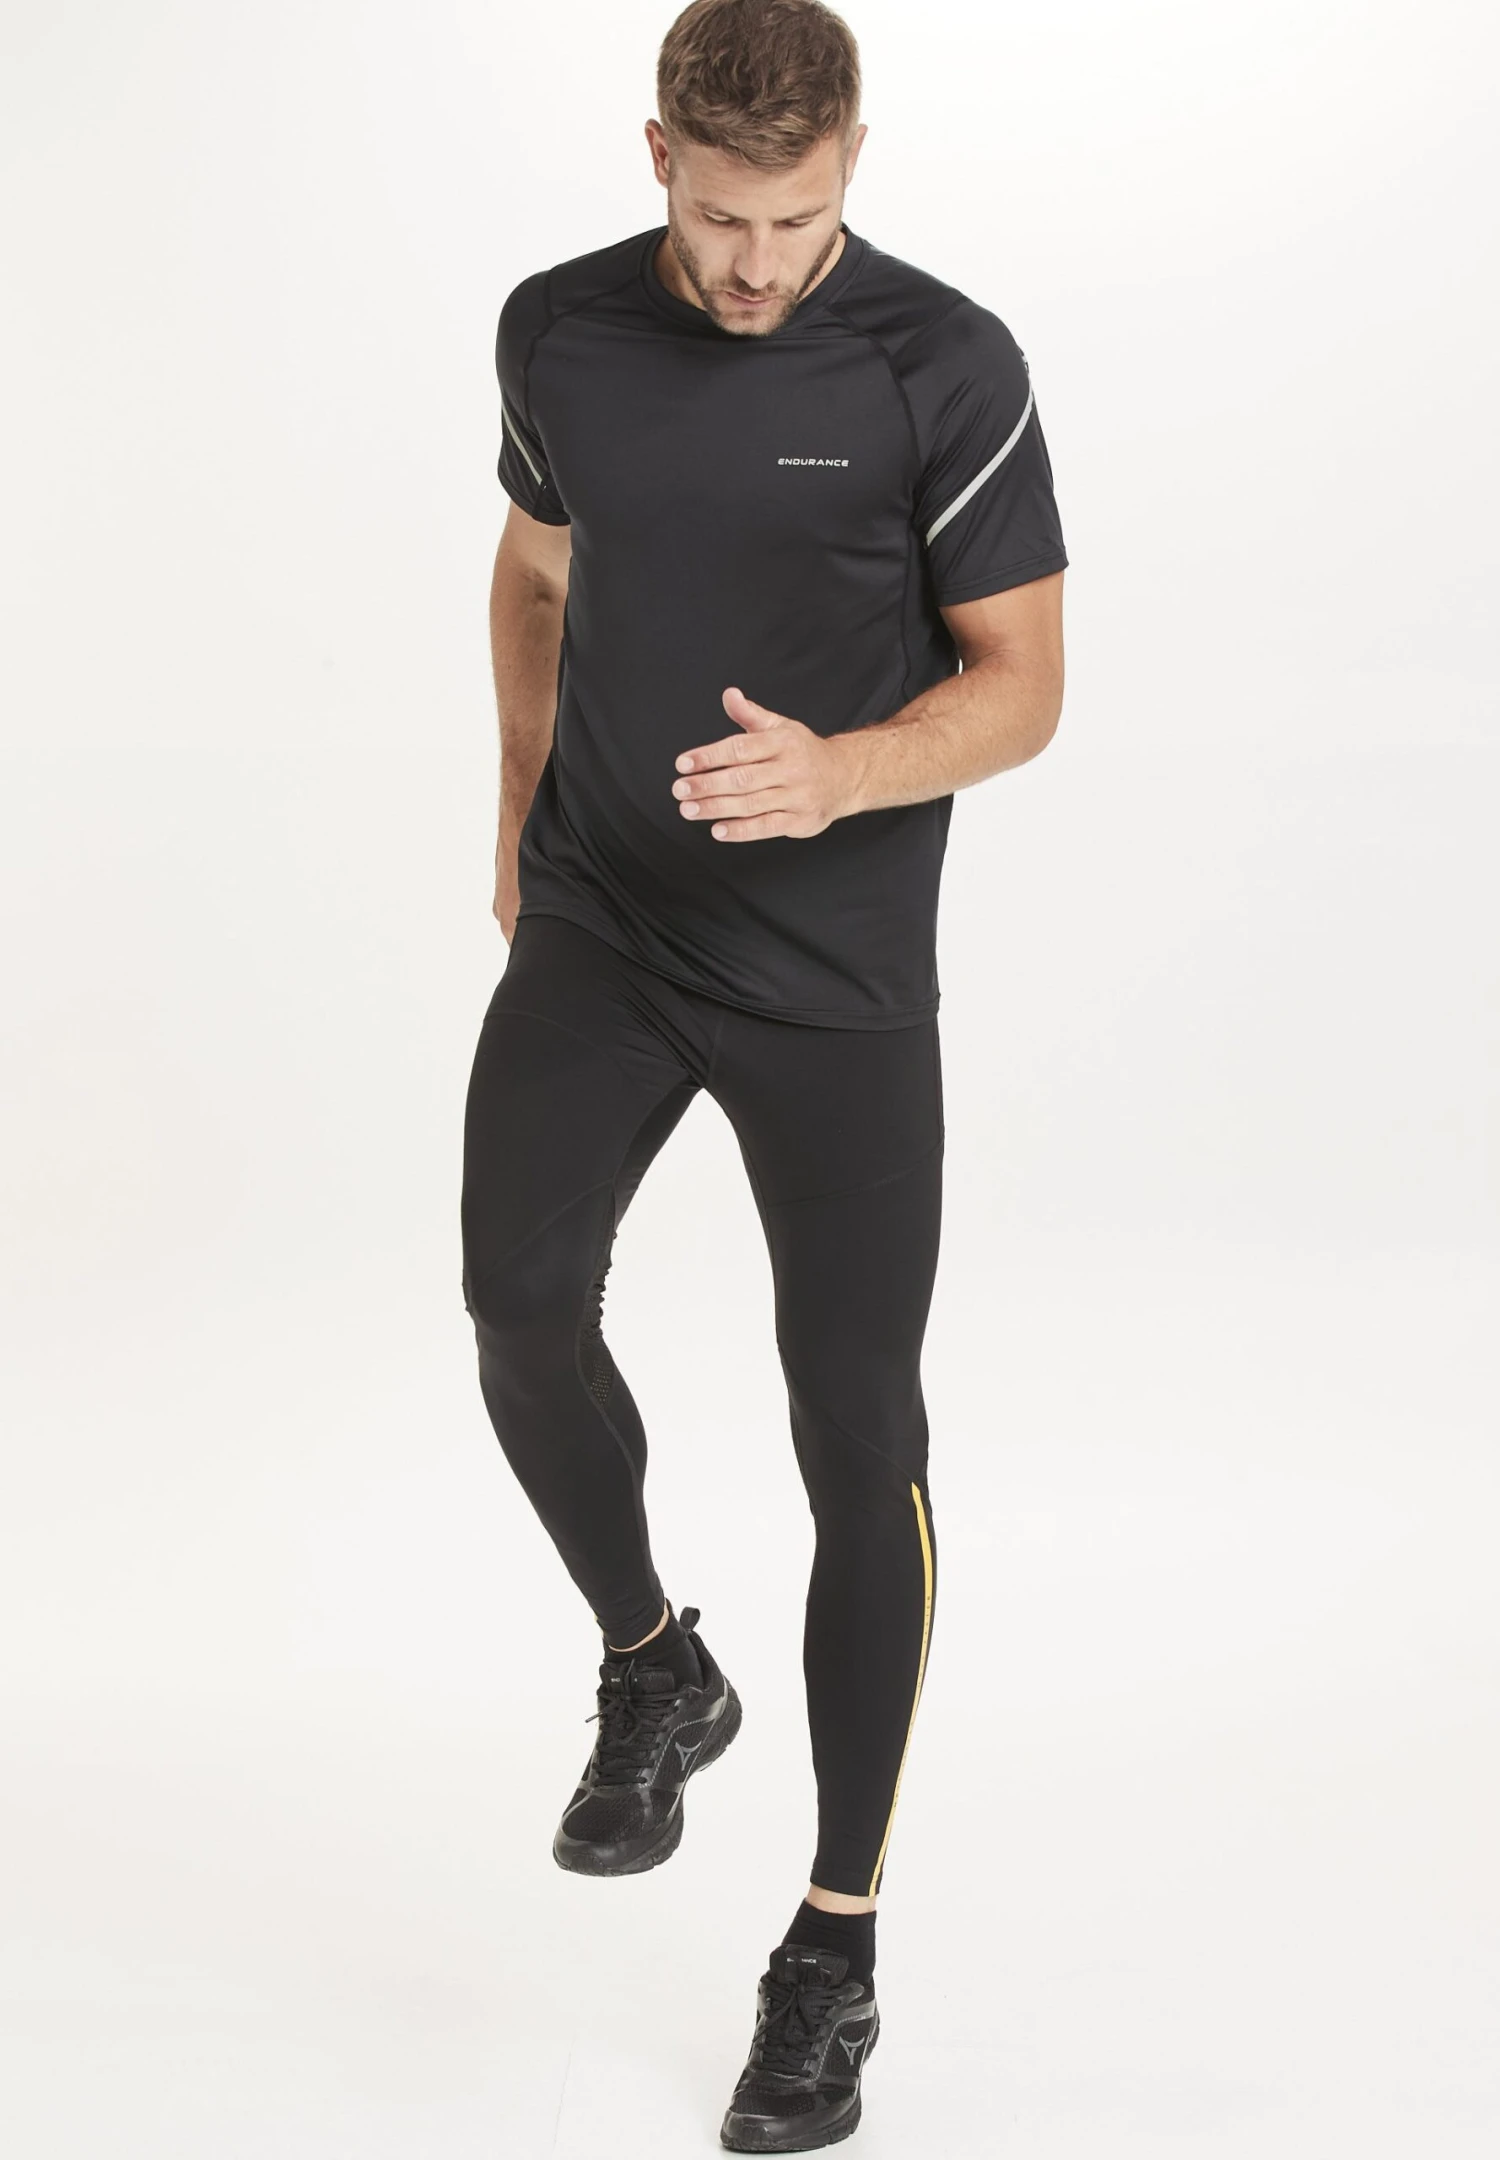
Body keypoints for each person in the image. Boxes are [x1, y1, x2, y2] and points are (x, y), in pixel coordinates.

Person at [460, 0, 1067, 2146]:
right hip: (610, 929)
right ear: (659, 159)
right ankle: (654, 1663)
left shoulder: (941, 364)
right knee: (518, 1305)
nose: (755, 265)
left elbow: (1023, 688)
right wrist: (518, 799)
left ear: (852, 163)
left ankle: (835, 1943)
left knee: (856, 1434)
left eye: (795, 221)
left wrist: (842, 776)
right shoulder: (558, 332)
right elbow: (536, 568)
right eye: (722, 219)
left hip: (834, 976)